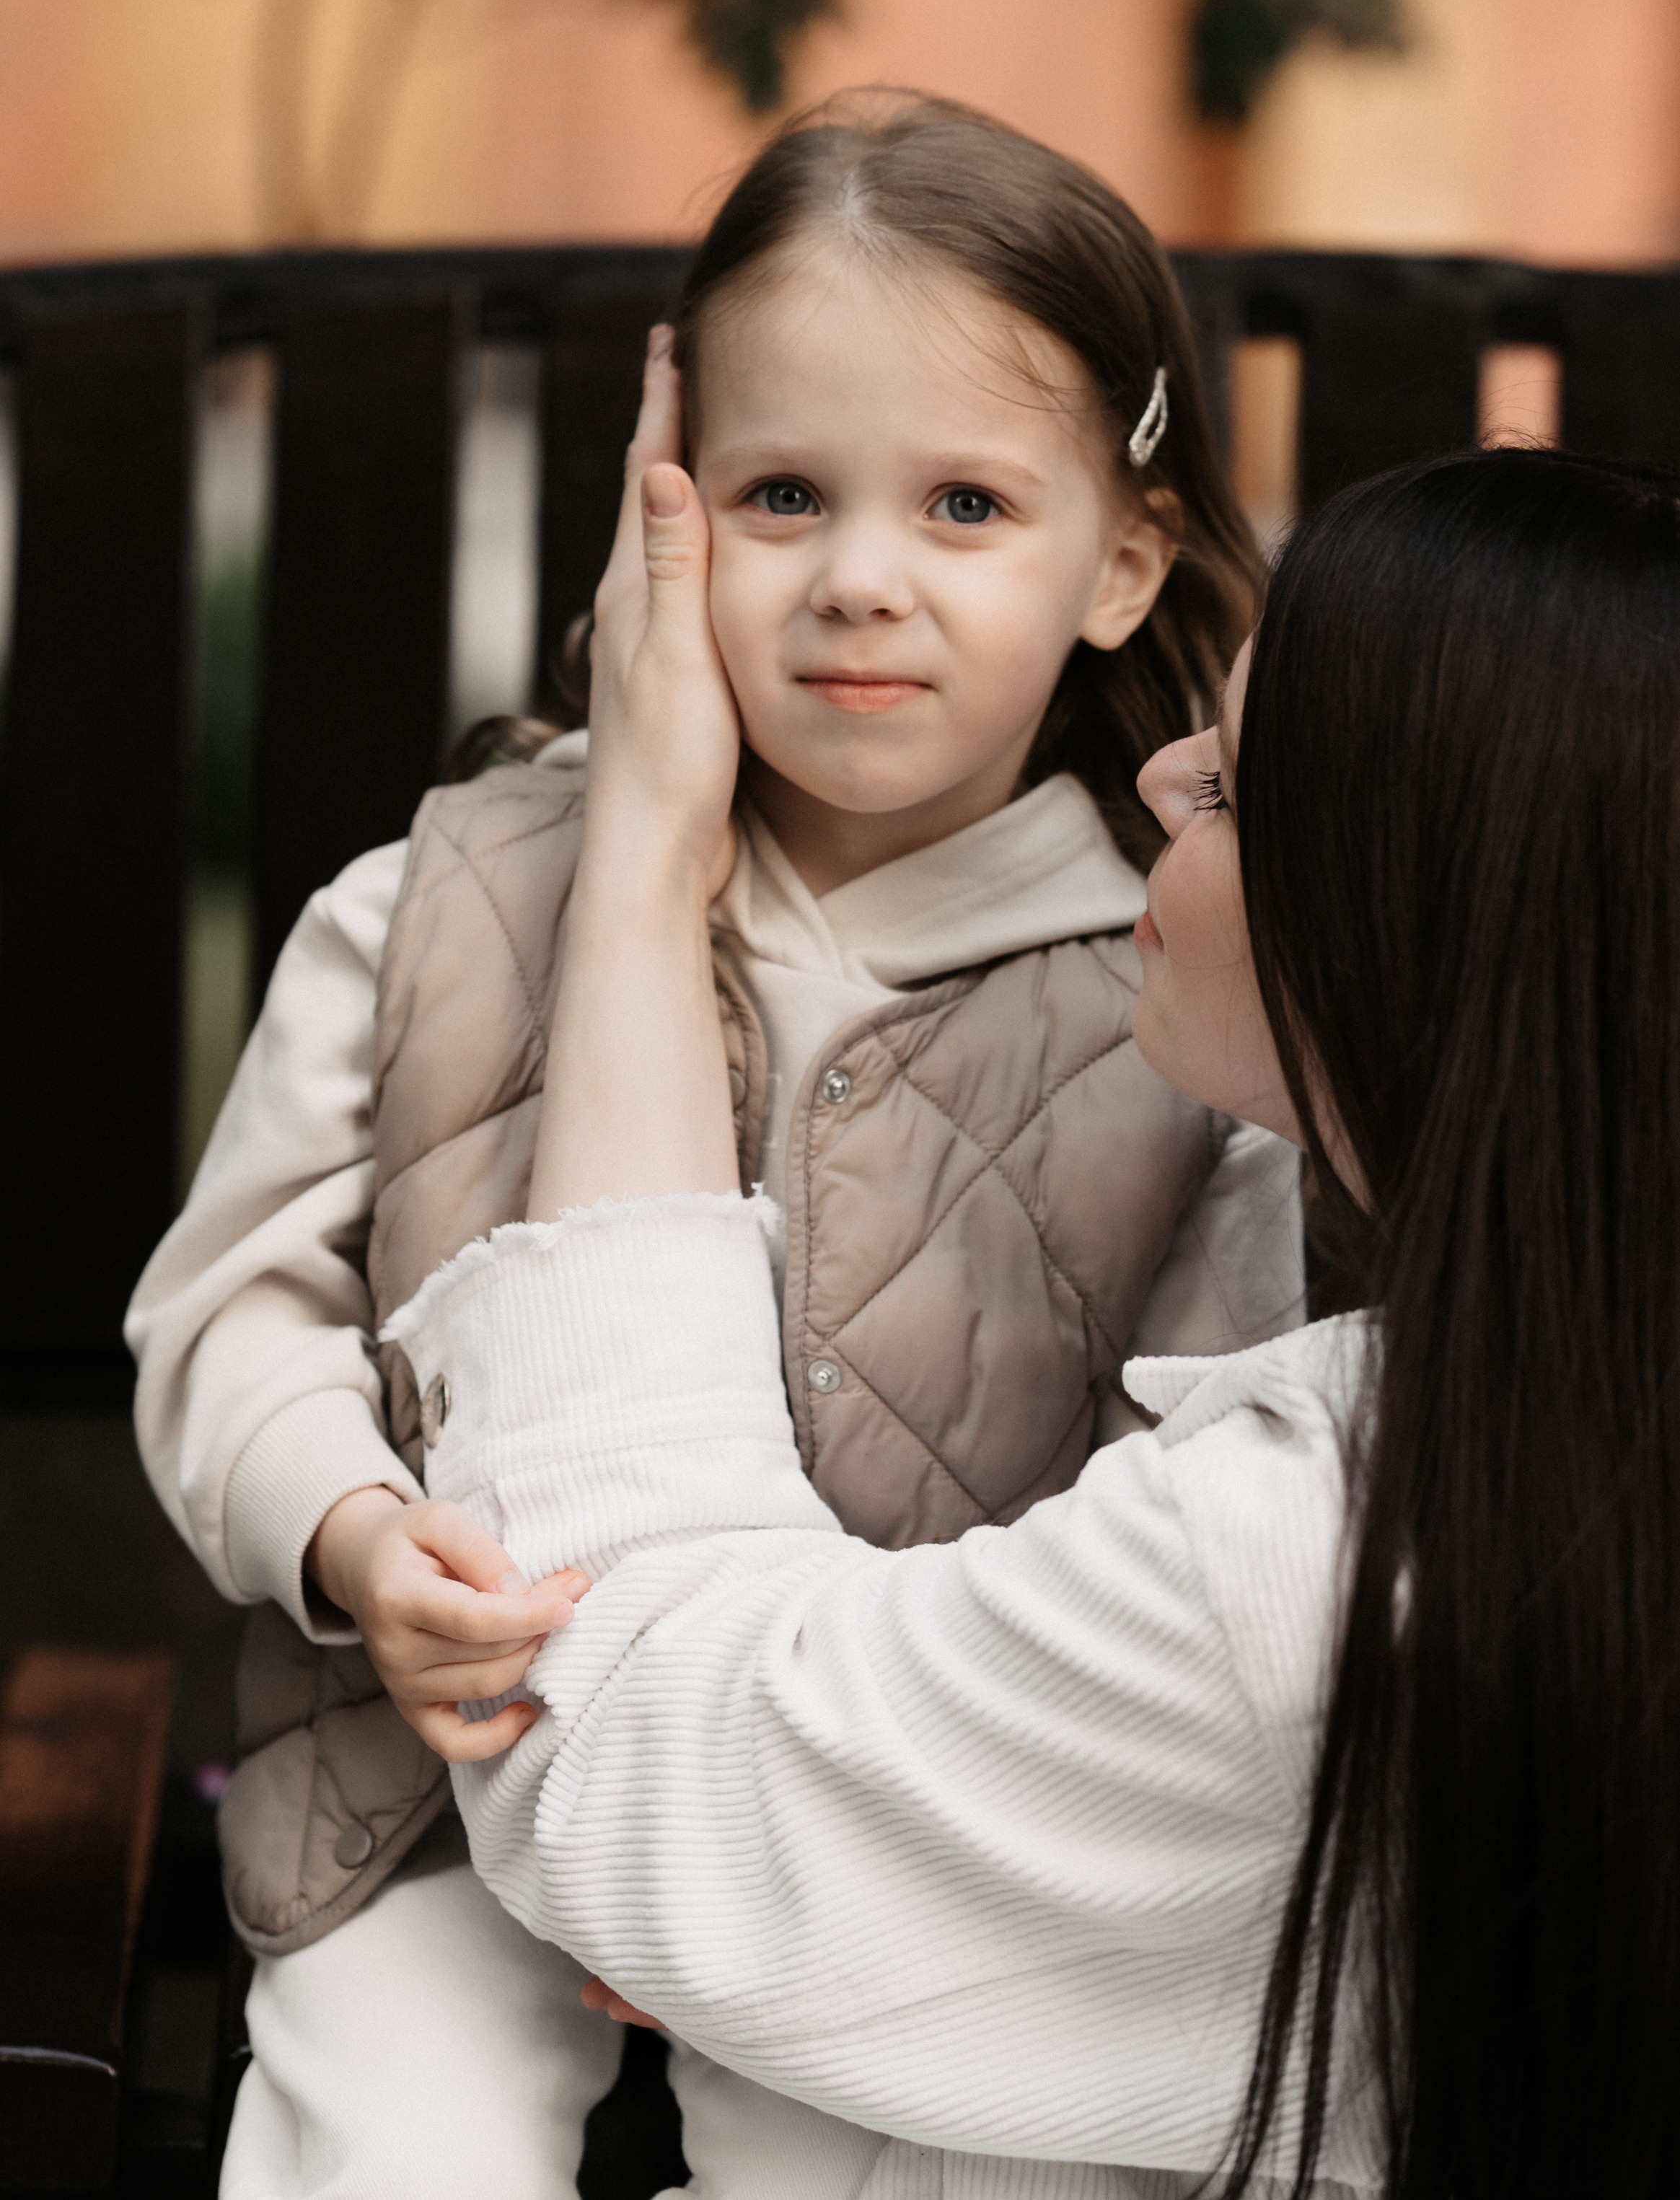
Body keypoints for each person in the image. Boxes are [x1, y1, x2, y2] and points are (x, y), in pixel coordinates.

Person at [128, 94, 1301, 2199]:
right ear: (663, 515)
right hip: (438, 1792)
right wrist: (348, 1536)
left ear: (1119, 560)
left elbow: (1186, 1461)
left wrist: (816, 1853)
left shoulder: (1173, 998)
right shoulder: (447, 903)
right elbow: (236, 1309)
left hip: (900, 1829)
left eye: (962, 503)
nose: (859, 579)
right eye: (780, 493)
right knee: (397, 2139)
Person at [387, 441, 1680, 2200]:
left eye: (1229, 791)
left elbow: (640, 1754)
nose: (1154, 772)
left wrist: (639, 853)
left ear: (1435, 913)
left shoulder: (1319, 1553)